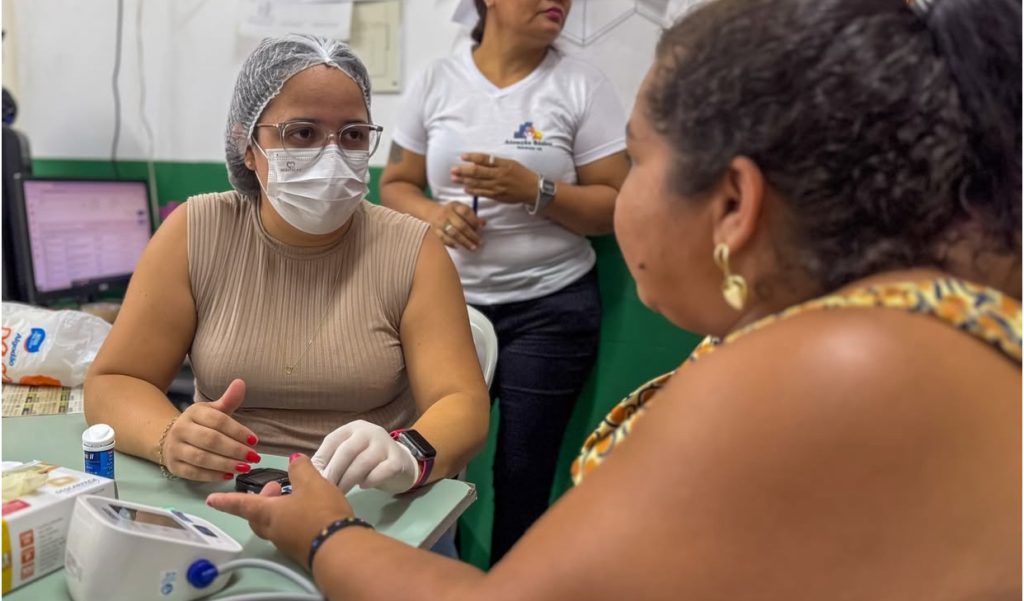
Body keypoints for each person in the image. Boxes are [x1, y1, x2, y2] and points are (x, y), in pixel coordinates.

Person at [207, 0, 1022, 597]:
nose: (620, 195)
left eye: (635, 159)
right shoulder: (884, 324)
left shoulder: (824, 368)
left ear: (733, 203)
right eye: (301, 136)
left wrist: (326, 533)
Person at [85, 35, 489, 500]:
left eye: (353, 135)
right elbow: (114, 382)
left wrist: (408, 454)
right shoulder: (195, 233)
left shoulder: (413, 250)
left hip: (368, 501)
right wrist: (168, 436)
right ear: (248, 146)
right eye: (303, 133)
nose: (333, 154)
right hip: (225, 495)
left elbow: (462, 403)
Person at [380, 0, 630, 562]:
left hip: (551, 310)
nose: (559, 2)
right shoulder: (436, 79)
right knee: (425, 461)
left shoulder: (581, 84)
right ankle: (430, 581)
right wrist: (434, 215)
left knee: (524, 472)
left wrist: (534, 190)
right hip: (447, 311)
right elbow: (396, 183)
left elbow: (615, 206)